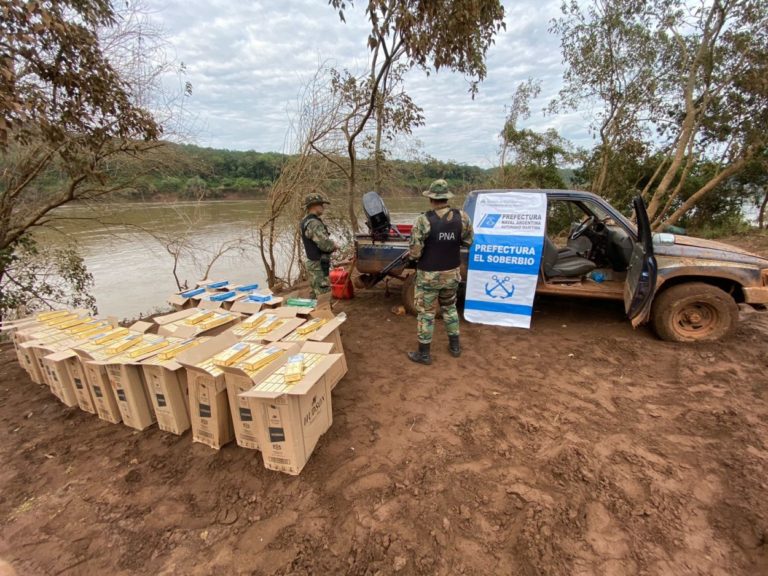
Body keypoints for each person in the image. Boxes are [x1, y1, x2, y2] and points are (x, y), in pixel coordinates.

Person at [407, 179, 474, 365]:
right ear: (446, 198)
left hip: (428, 275)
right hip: (451, 273)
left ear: (431, 199)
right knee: (450, 309)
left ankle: (424, 354)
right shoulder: (463, 217)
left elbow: (415, 252)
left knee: (426, 313)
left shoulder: (423, 220)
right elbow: (469, 242)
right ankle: (455, 347)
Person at [301, 193, 337, 299]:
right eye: (321, 205)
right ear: (314, 206)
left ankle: (313, 315)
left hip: (313, 263)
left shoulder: (305, 220)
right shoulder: (314, 223)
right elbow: (325, 245)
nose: (323, 207)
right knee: (324, 297)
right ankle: (325, 315)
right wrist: (334, 245)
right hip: (318, 265)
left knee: (314, 295)